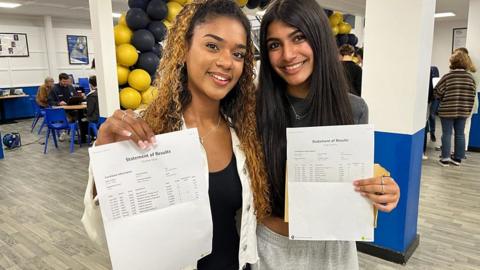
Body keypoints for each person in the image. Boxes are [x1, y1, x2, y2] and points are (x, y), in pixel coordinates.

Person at [81, 1, 270, 269]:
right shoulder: (146, 130)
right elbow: (100, 233)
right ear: (183, 50)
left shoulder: (244, 133)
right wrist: (105, 157)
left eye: (238, 54)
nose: (227, 62)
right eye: (212, 46)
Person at [254, 0, 400, 269]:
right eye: (275, 44)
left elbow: (357, 181)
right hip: (270, 248)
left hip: (333, 249)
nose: (287, 54)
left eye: (298, 38)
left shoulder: (354, 109)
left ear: (319, 37)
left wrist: (382, 190)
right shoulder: (253, 109)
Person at [435, 51, 477, 166]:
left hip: (447, 110)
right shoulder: (470, 78)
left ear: (452, 62)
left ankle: (445, 158)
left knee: (447, 133)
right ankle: (458, 158)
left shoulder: (448, 76)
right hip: (463, 111)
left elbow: (437, 93)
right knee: (460, 134)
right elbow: (473, 95)